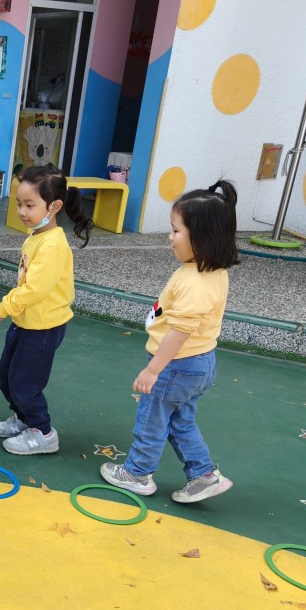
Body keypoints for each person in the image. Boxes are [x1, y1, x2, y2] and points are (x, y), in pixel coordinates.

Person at [100, 181, 239, 503]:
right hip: (200, 363)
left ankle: (137, 474)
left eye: (176, 231)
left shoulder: (195, 282)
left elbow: (180, 331)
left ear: (202, 237)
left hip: (176, 366)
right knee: (180, 421)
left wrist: (153, 370)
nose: (170, 236)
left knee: (151, 419)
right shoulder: (209, 271)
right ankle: (203, 475)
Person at [0, 164, 92, 455]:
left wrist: (5, 307)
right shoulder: (36, 236)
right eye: (19, 204)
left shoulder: (52, 245)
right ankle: (24, 419)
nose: (22, 211)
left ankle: (43, 432)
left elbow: (35, 289)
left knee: (25, 384)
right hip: (26, 323)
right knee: (6, 376)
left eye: (29, 205)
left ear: (54, 206)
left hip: (43, 328)